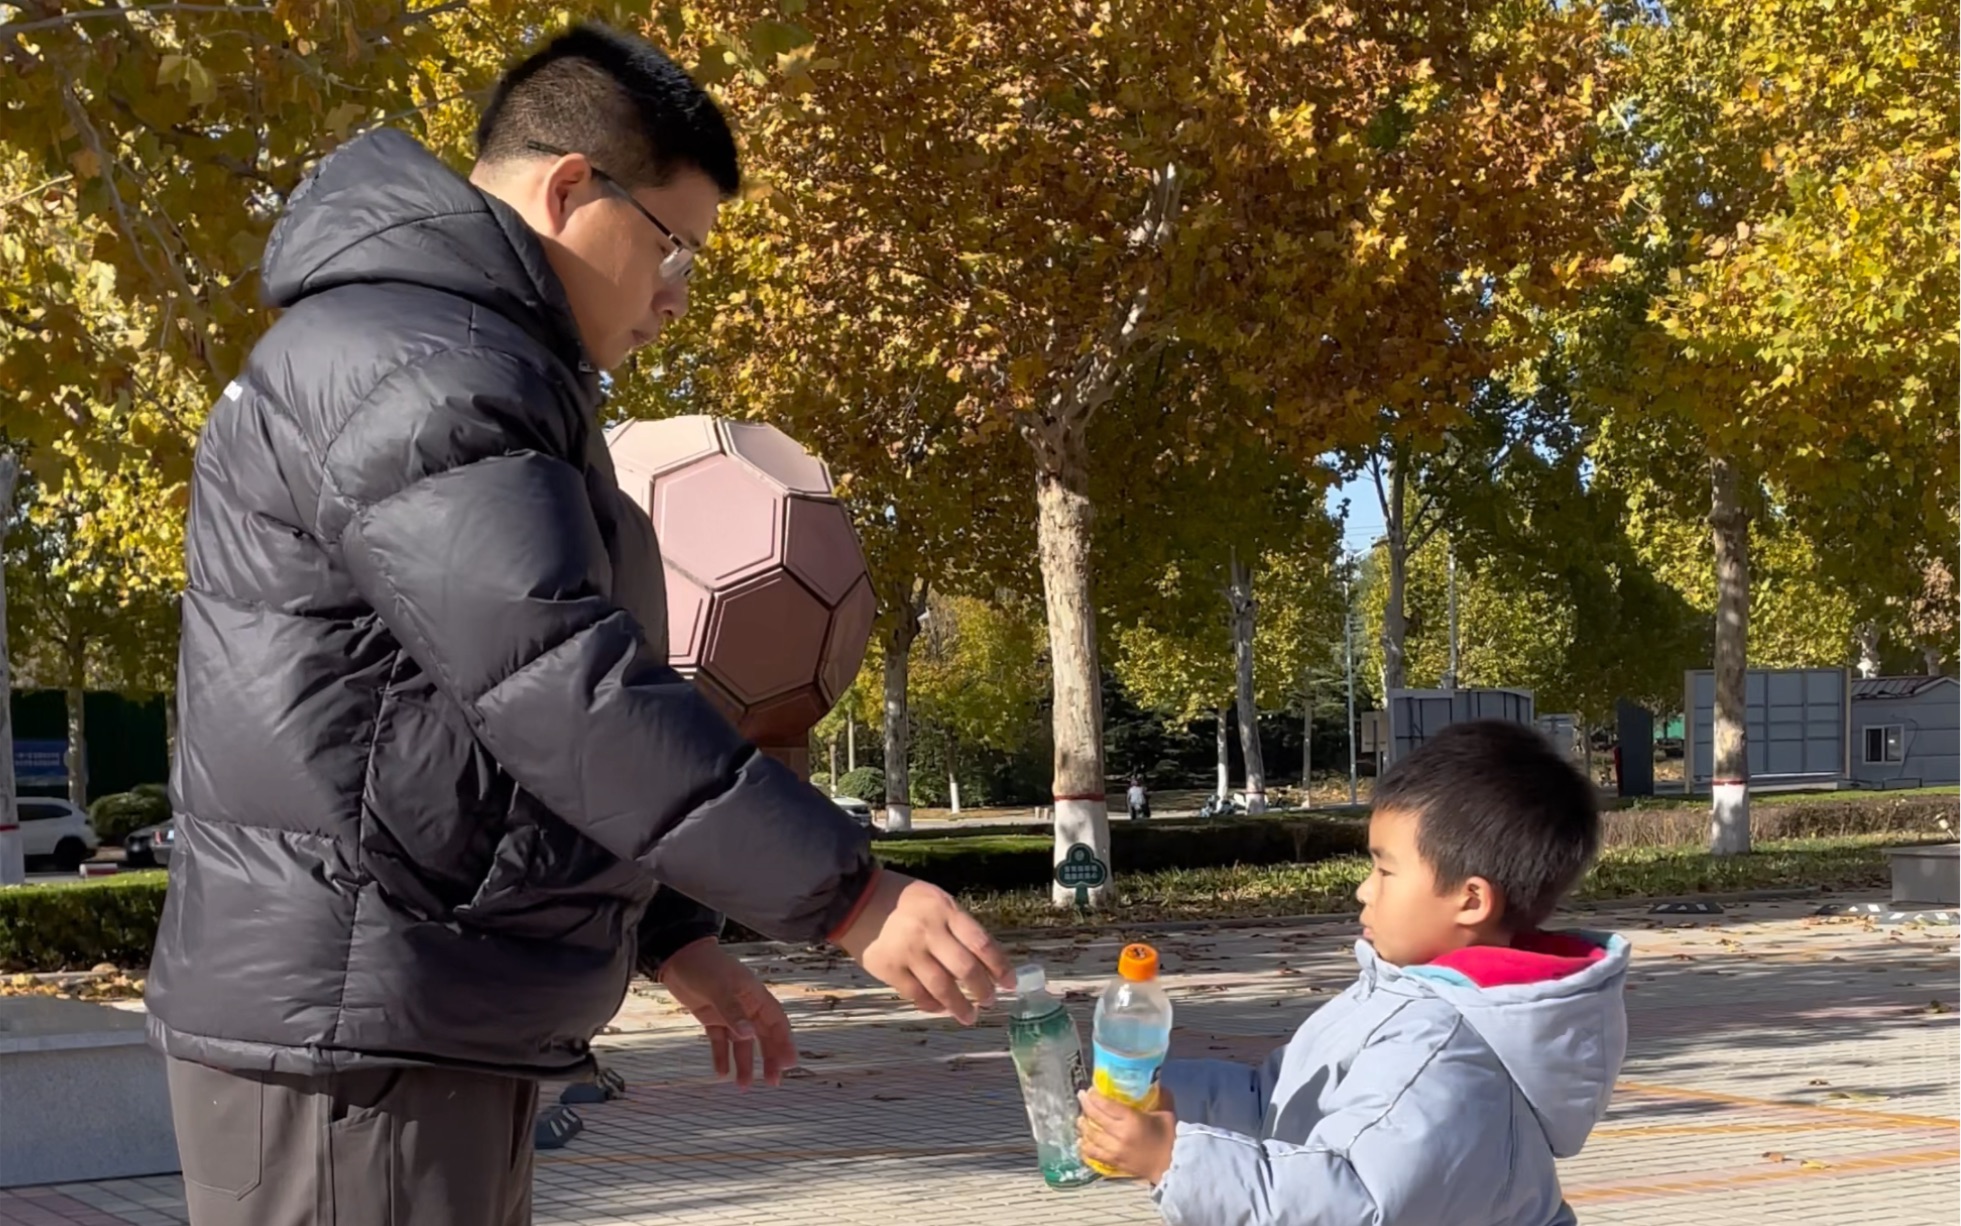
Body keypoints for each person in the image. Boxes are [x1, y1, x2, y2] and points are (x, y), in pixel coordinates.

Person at [146, 23, 1011, 1226]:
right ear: (569, 188)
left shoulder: (449, 359)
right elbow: (557, 681)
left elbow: (474, 720)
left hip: (402, 1009)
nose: (675, 296)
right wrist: (847, 896)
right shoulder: (424, 369)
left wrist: (666, 934)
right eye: (673, 247)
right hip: (361, 1024)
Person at [1077, 719, 1626, 1225]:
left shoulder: (1446, 1051)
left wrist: (1173, 1160)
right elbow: (1276, 1100)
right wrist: (1163, 1097)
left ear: (1471, 899)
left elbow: (1354, 1203)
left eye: (1385, 868)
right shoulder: (1401, 996)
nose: (1364, 889)